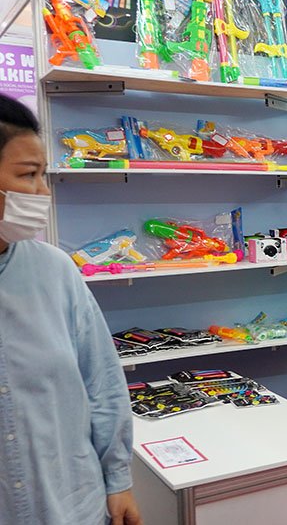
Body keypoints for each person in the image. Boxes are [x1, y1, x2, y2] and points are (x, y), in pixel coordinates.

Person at [0, 94, 142, 524]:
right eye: (29, 174)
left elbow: (102, 382)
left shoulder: (55, 270)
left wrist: (118, 480)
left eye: (43, 174)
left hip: (72, 506)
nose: (43, 192)